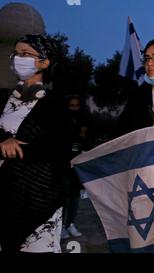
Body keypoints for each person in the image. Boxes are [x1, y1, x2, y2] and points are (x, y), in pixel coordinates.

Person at [0, 34, 70, 252]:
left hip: (38, 194)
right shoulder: (2, 97)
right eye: (16, 54)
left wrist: (17, 149)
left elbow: (57, 148)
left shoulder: (56, 104)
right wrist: (4, 139)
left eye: (26, 54)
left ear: (44, 62)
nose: (19, 58)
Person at [61, 95, 89, 239]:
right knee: (64, 197)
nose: (74, 108)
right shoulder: (63, 122)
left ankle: (70, 224)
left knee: (75, 197)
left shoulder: (83, 121)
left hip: (77, 166)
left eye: (76, 105)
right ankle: (60, 227)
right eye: (71, 105)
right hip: (64, 166)